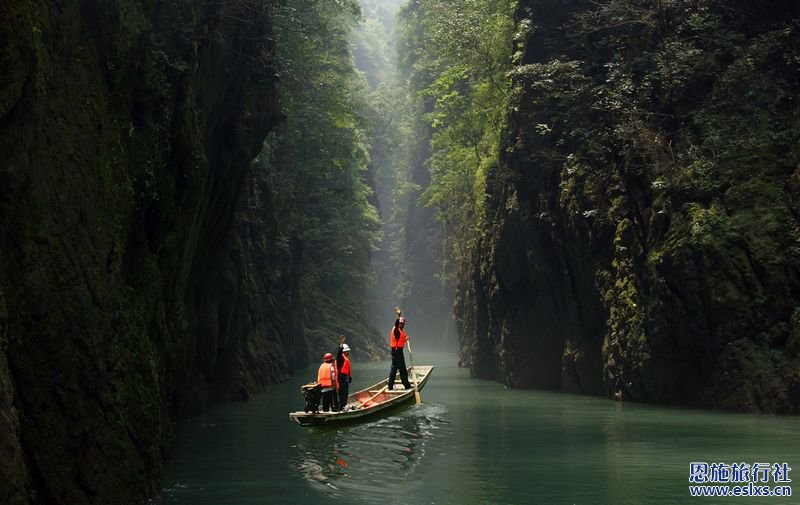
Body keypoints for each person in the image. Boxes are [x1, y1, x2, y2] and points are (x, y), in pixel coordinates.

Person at [388, 308, 412, 390]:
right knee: (402, 370)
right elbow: (396, 324)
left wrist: (406, 338)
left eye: (402, 324)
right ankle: (407, 385)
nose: (401, 325)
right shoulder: (396, 330)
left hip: (397, 351)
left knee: (394, 369)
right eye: (400, 323)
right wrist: (398, 315)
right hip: (397, 351)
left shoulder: (400, 331)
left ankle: (390, 386)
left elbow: (400, 339)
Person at [336, 335, 352, 410]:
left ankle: (344, 406)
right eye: (347, 351)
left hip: (345, 378)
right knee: (342, 393)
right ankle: (341, 406)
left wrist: (349, 377)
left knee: (345, 393)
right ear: (344, 352)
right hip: (341, 377)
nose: (348, 352)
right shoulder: (340, 358)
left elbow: (348, 369)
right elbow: (338, 354)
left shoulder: (346, 359)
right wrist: (341, 344)